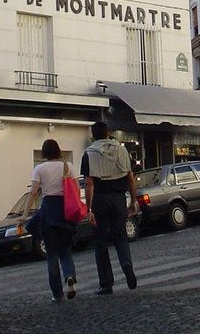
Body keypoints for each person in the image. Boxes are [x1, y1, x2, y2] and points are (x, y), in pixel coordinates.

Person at [81, 121, 139, 295]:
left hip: (99, 199)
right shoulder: (121, 149)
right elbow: (130, 177)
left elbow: (89, 182)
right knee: (120, 236)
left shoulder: (89, 153)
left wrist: (89, 208)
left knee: (100, 241)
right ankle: (126, 264)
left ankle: (106, 283)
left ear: (93, 135)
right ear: (108, 133)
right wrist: (133, 200)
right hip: (118, 198)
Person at [19, 139, 79, 302]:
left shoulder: (39, 168)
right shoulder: (67, 166)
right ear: (58, 151)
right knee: (66, 252)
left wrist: (24, 215)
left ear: (44, 153)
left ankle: (57, 294)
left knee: (52, 255)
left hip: (48, 211)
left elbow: (33, 193)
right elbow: (75, 188)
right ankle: (70, 277)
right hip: (65, 210)